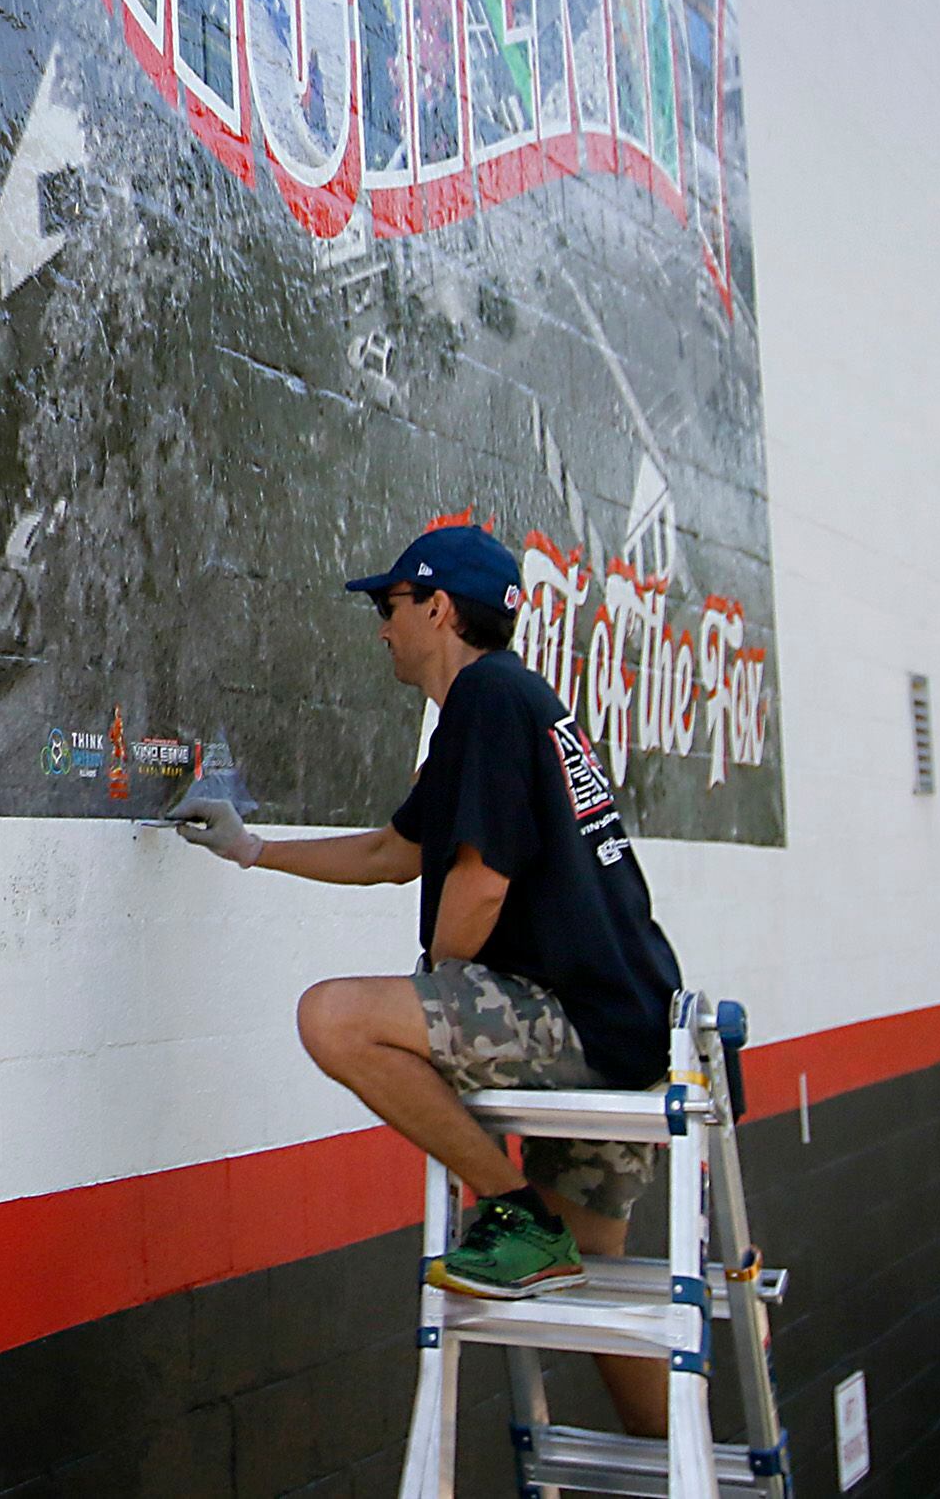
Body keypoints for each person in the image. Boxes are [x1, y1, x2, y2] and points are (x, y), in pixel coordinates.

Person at [171, 523, 684, 1437]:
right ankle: (676, 1463)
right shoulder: (511, 706)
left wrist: (438, 991)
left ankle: (516, 1214)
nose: (381, 629)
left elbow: (479, 883)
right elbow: (394, 852)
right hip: (633, 1035)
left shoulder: (488, 699)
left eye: (389, 605)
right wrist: (252, 850)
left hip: (573, 1022)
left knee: (335, 1018)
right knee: (599, 1295)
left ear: (438, 607)